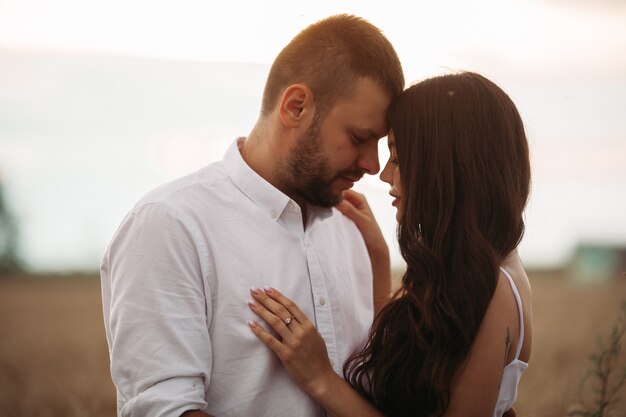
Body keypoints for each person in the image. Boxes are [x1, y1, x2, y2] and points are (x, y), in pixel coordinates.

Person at [100, 14, 404, 417]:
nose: (371, 163)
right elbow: (165, 410)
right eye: (359, 138)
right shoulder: (170, 225)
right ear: (296, 107)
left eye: (380, 143)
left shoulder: (353, 231)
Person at [248, 72, 533, 417]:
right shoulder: (478, 273)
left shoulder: (496, 290)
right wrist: (379, 258)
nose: (383, 175)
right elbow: (415, 370)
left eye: (397, 158)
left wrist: (321, 379)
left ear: (443, 164)